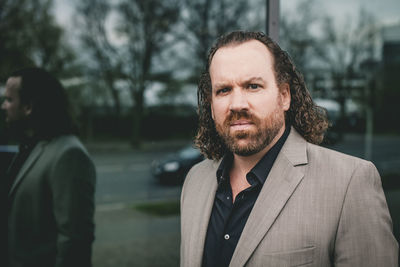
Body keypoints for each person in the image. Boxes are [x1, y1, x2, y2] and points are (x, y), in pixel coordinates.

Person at [180, 31, 398, 267]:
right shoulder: (195, 181)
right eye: (223, 90)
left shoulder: (350, 183)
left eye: (253, 86)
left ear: (284, 96)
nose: (237, 104)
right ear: (212, 107)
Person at [2, 67, 96, 267]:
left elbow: (74, 240)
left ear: (28, 106)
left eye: (9, 100)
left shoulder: (69, 154)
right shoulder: (33, 144)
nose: (3, 106)